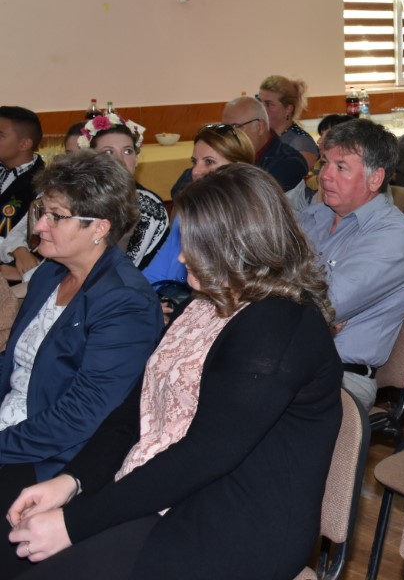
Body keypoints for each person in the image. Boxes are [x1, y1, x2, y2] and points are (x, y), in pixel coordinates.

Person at [5, 164, 343, 579]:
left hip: (234, 522)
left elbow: (203, 456)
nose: (181, 257)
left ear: (237, 244)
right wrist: (73, 480)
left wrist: (74, 524)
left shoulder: (279, 326)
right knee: (14, 546)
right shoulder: (206, 302)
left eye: (195, 243)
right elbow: (134, 410)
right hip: (167, 487)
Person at [0, 150, 162, 569]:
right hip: (15, 429)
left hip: (52, 460)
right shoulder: (51, 274)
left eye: (55, 216)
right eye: (42, 211)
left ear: (99, 228)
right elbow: (14, 368)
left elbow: (83, 416)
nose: (39, 226)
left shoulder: (124, 301)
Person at [299, 119, 404, 411]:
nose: (325, 176)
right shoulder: (313, 217)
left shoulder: (394, 237)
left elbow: (323, 304)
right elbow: (258, 275)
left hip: (339, 376)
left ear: (375, 178)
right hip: (288, 358)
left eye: (341, 167)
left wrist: (305, 301)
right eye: (325, 163)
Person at [142, 124, 256, 288]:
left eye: (209, 162)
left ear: (237, 168)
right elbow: (155, 273)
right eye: (194, 162)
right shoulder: (188, 214)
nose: (195, 171)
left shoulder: (251, 223)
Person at [80, 114, 169, 269]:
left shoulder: (147, 208)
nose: (120, 160)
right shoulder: (80, 197)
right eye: (109, 152)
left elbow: (122, 266)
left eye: (127, 151)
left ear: (136, 160)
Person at [219, 96, 308, 192]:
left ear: (260, 127)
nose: (228, 135)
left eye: (236, 127)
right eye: (225, 128)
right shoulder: (227, 157)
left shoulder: (289, 164)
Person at [0, 108, 45, 283]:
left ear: (24, 144)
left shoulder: (44, 184)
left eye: (0, 135)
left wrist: (16, 249)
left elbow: (32, 238)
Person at [258, 75, 320, 168]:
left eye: (269, 104)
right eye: (259, 102)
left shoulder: (302, 143)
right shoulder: (264, 136)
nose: (261, 109)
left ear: (288, 109)